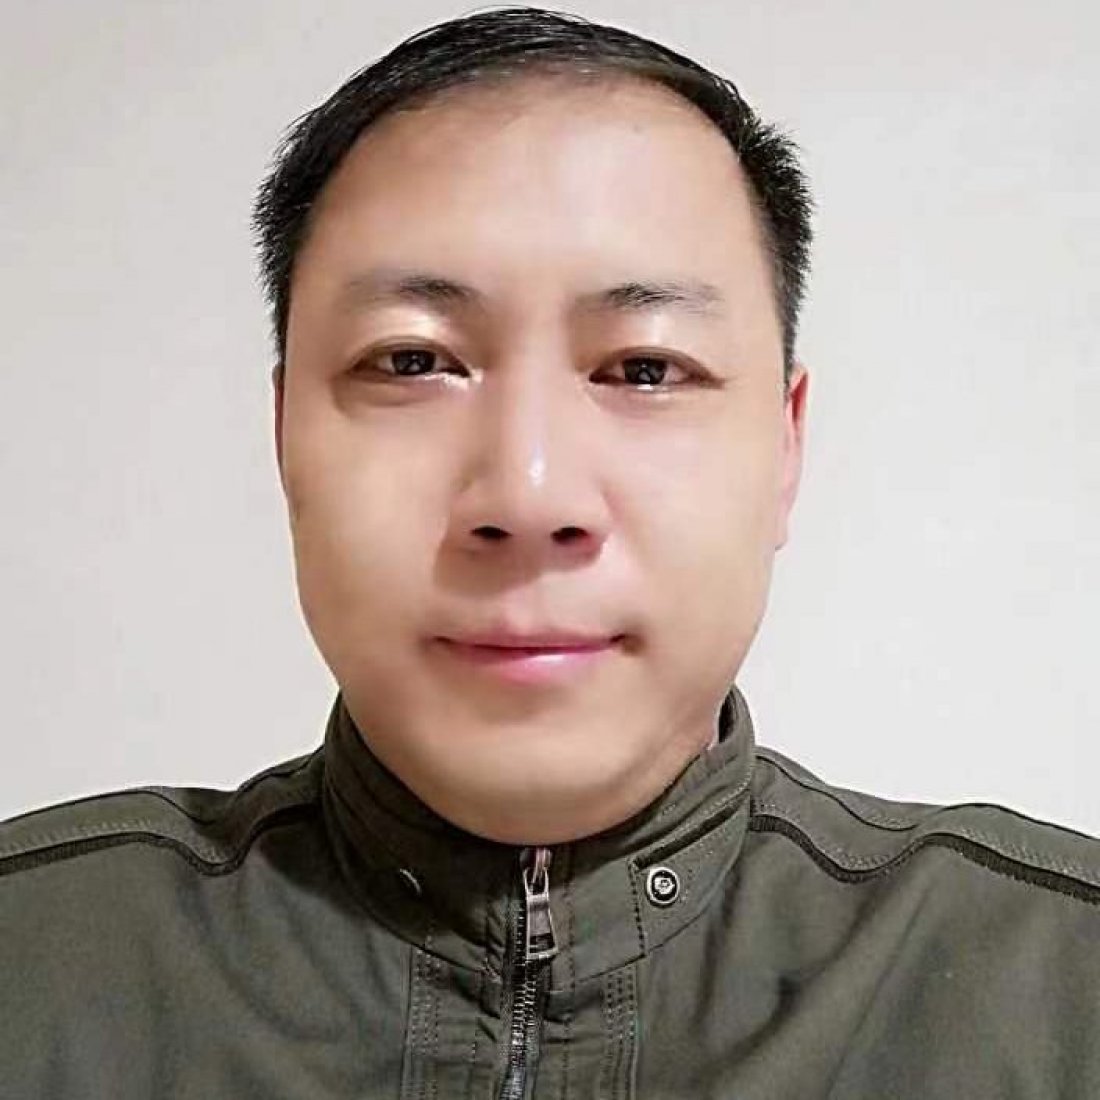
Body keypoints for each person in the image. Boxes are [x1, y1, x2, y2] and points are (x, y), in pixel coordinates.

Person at [2, 7, 1098, 1097]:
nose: (527, 497)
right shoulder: (38, 964)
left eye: (645, 369)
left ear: (785, 445)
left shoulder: (1057, 988)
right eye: (413, 360)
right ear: (284, 434)